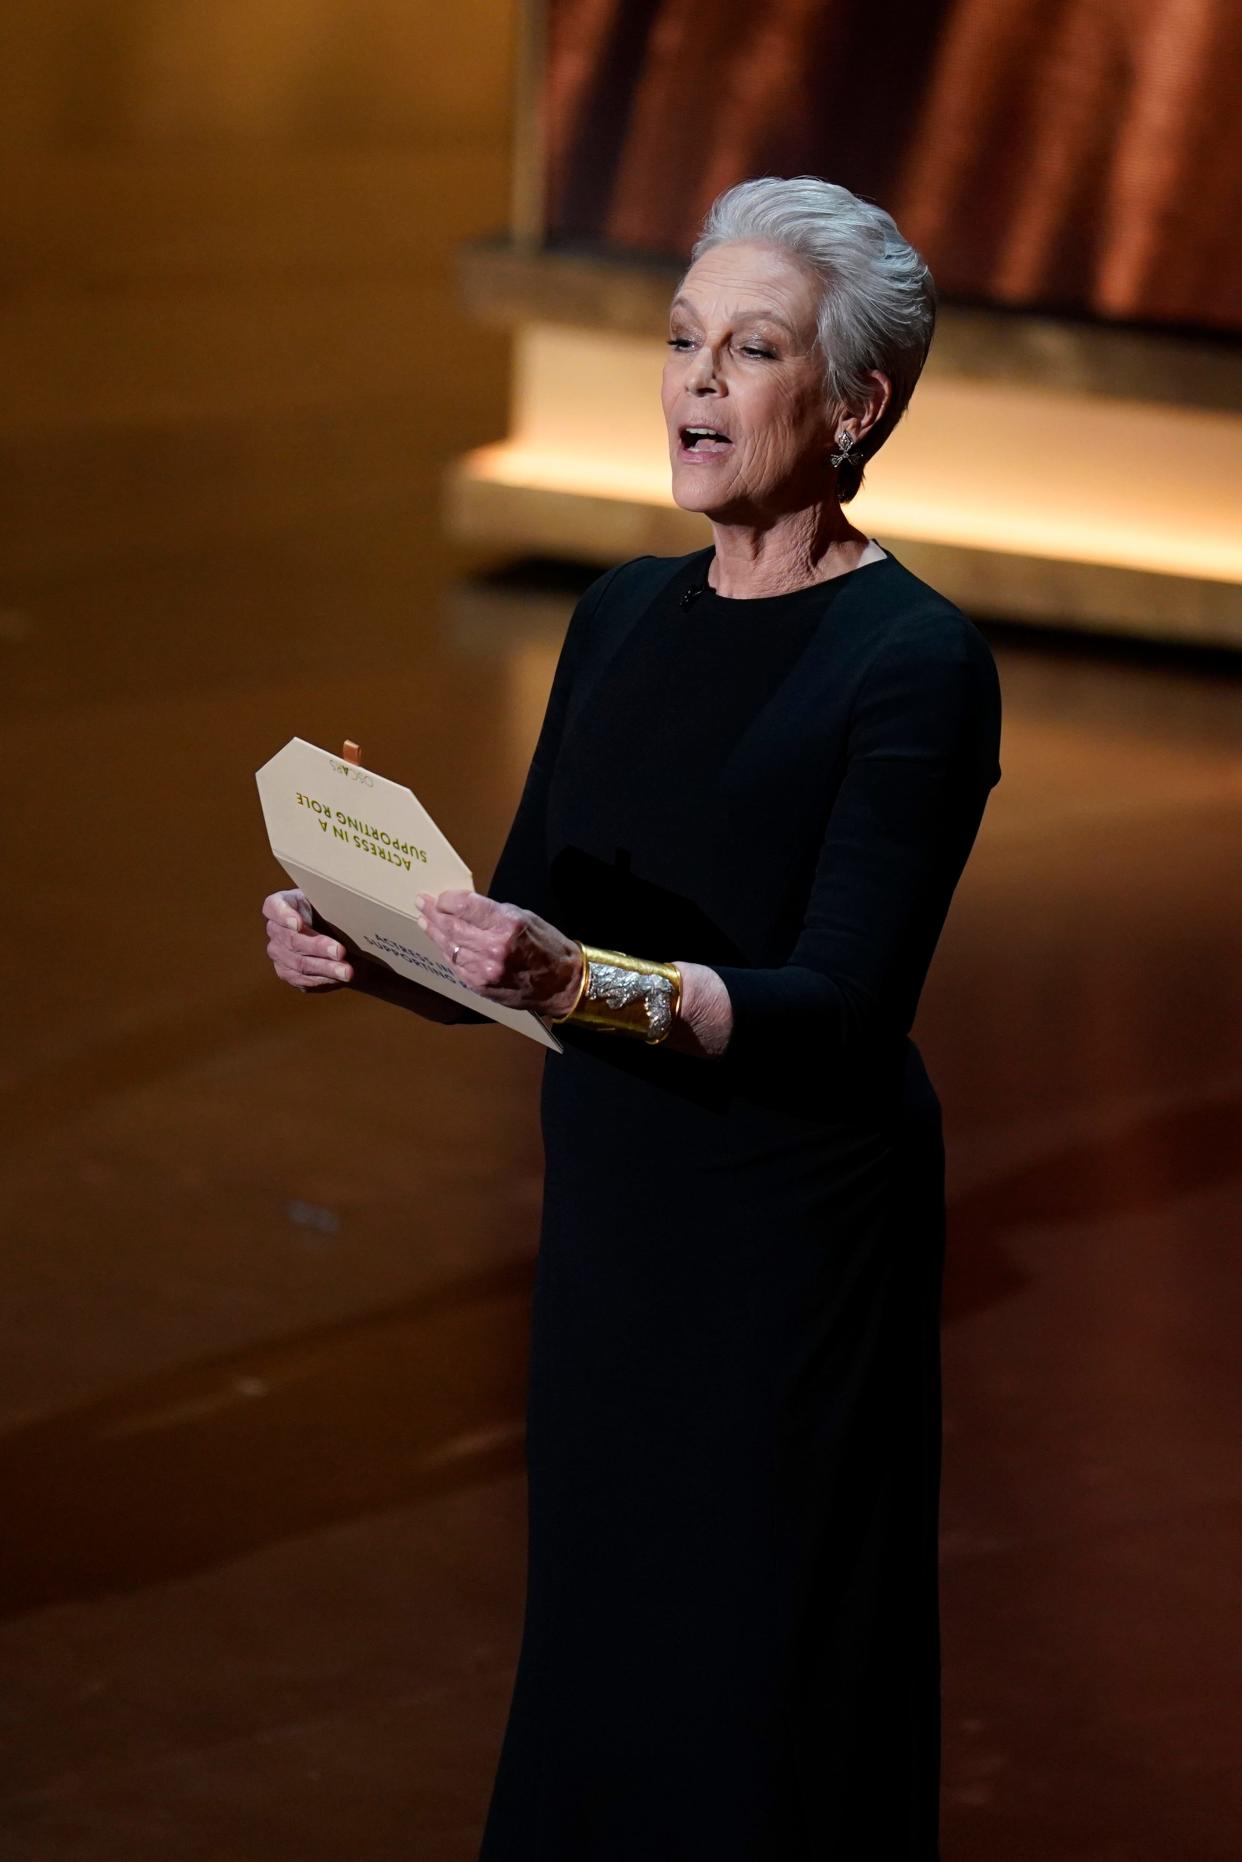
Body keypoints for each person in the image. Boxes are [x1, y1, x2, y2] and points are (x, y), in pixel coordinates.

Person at [262, 175, 1003, 1860]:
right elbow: (516, 926)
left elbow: (842, 1006)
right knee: (606, 1649)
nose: (693, 383)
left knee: (759, 1676)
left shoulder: (913, 664)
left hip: (787, 1244)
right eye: (681, 341)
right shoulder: (613, 617)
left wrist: (581, 980)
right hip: (618, 1231)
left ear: (855, 402)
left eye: (749, 351)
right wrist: (371, 942)